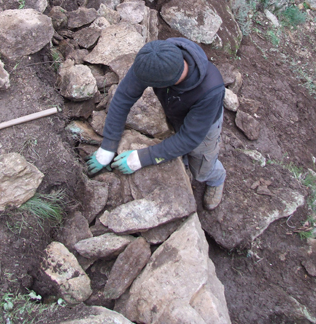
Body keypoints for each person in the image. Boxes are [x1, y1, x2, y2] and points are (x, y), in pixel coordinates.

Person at [86, 38, 226, 211]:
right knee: (178, 141)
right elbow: (123, 97)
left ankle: (216, 178)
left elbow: (190, 137)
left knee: (201, 166)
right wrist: (108, 145)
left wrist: (143, 157)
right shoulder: (155, 57)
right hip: (176, 111)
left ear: (167, 83)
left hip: (205, 128)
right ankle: (182, 158)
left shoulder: (210, 89)